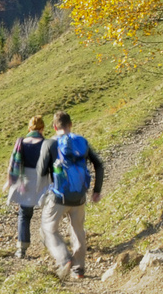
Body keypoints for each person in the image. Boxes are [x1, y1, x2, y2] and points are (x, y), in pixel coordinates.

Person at [38, 110, 104, 280]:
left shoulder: (51, 144)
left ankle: (64, 258)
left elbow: (41, 172)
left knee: (48, 228)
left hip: (59, 196)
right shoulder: (81, 142)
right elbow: (98, 165)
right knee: (77, 230)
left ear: (54, 127)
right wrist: (96, 191)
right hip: (80, 197)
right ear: (71, 125)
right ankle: (79, 269)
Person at [3, 115, 47, 258]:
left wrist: (10, 181)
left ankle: (21, 249)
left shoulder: (20, 142)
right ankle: (48, 242)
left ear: (29, 128)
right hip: (42, 182)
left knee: (24, 214)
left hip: (25, 182)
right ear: (42, 129)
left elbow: (13, 163)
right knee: (47, 213)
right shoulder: (46, 143)